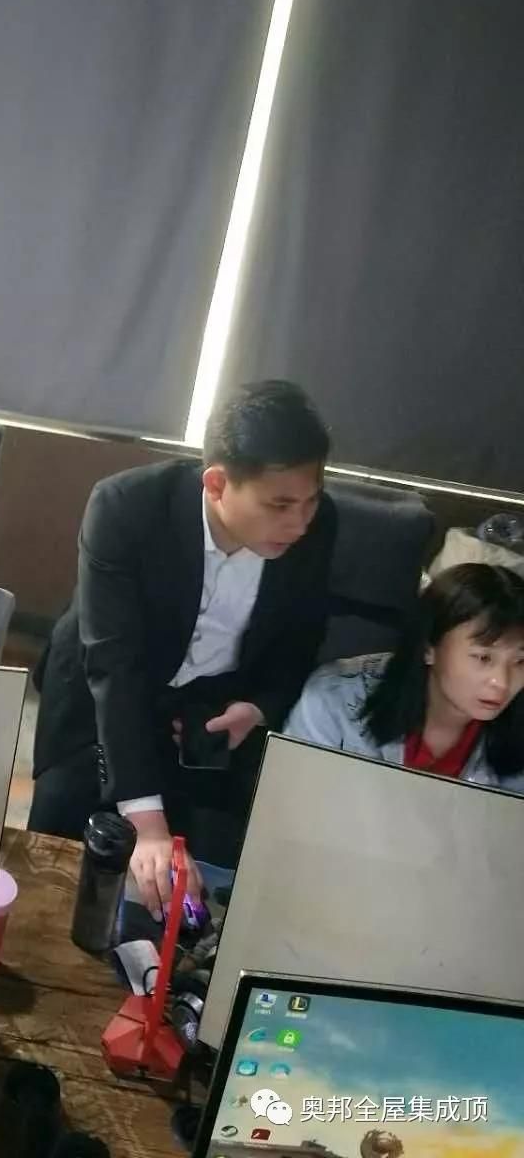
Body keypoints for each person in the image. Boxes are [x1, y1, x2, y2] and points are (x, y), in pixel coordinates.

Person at [29, 379, 337, 917]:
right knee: (57, 848)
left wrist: (257, 707)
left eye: (310, 501)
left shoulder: (318, 526)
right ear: (216, 484)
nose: (299, 523)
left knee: (200, 875)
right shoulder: (126, 508)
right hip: (100, 698)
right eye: (280, 504)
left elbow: (301, 639)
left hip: (206, 711)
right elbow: (114, 664)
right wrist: (147, 824)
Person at [285, 563, 524, 792]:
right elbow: (291, 801)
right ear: (429, 647)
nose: (502, 682)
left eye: (521, 662)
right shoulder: (336, 699)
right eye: (483, 658)